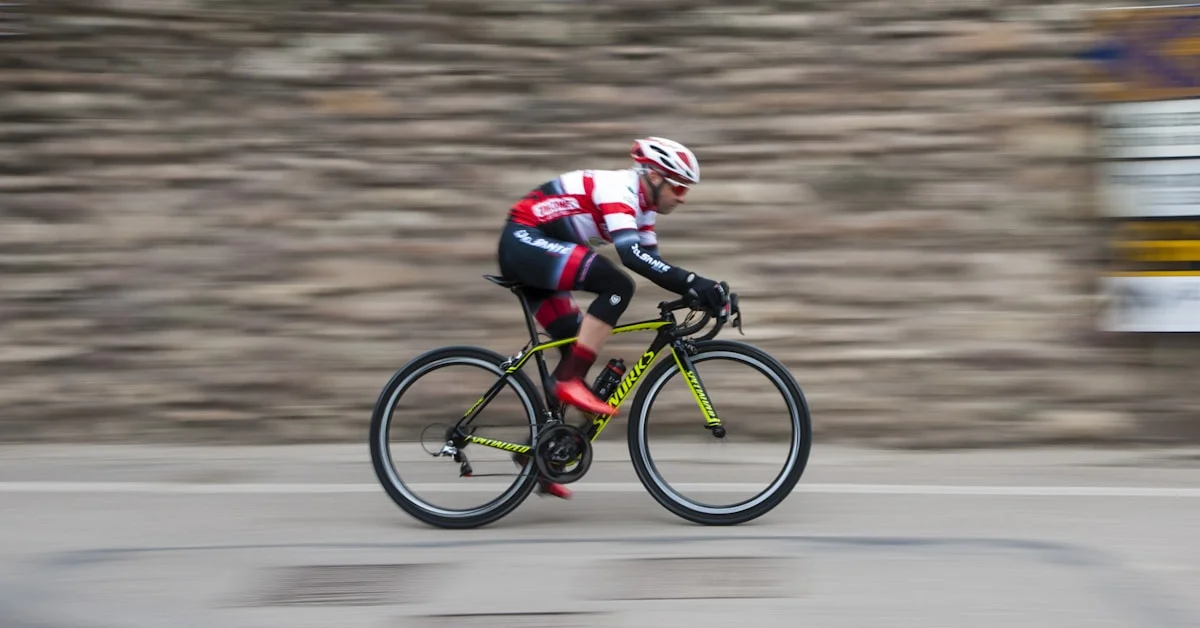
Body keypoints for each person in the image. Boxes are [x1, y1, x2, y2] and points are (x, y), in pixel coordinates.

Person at [495, 136, 731, 499]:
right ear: (653, 177)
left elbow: (656, 266)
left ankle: (538, 456)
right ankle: (569, 382)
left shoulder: (643, 211)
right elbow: (633, 257)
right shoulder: (617, 189)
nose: (683, 197)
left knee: (575, 344)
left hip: (537, 248)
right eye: (679, 187)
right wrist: (694, 282)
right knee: (617, 285)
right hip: (524, 240)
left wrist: (700, 292)